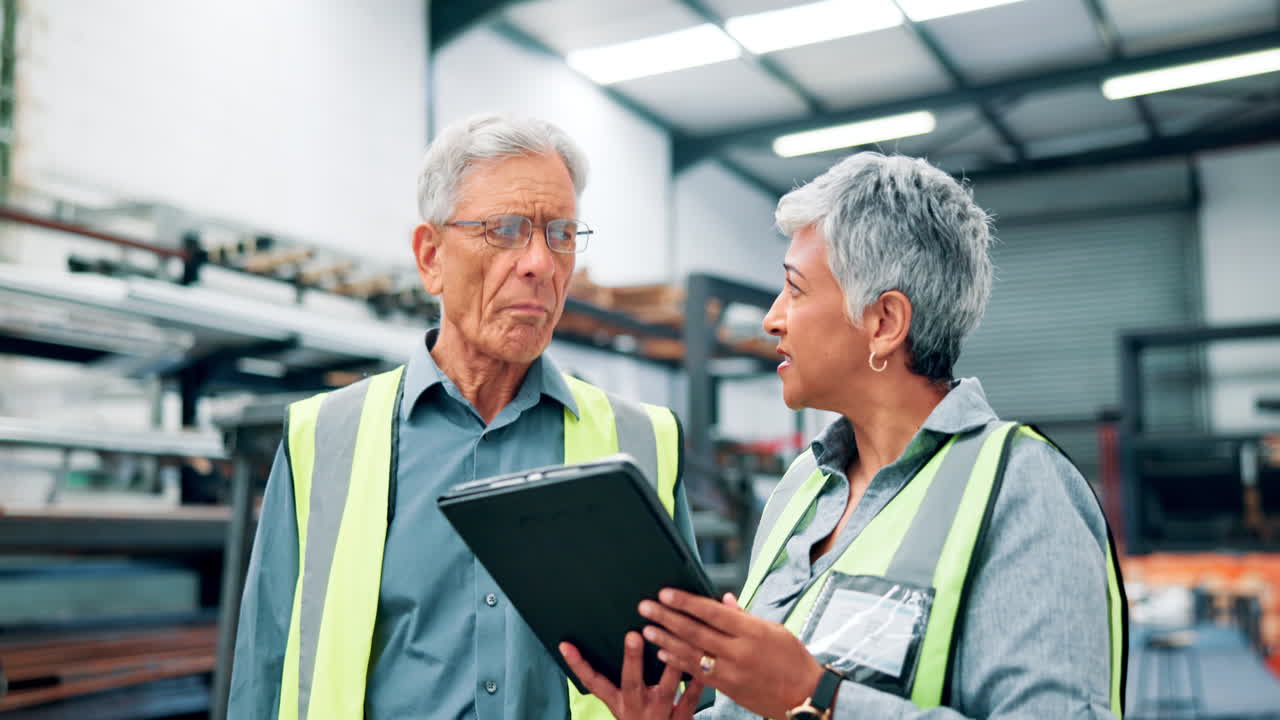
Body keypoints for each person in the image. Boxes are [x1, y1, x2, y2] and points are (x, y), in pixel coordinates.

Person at [562, 151, 1127, 719]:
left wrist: (816, 698)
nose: (772, 318)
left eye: (796, 289)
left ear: (883, 322)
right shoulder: (804, 486)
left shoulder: (1020, 490)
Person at [228, 113, 699, 720]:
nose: (540, 264)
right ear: (431, 257)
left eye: (560, 234)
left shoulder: (645, 442)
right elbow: (265, 671)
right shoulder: (323, 440)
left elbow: (691, 684)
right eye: (505, 230)